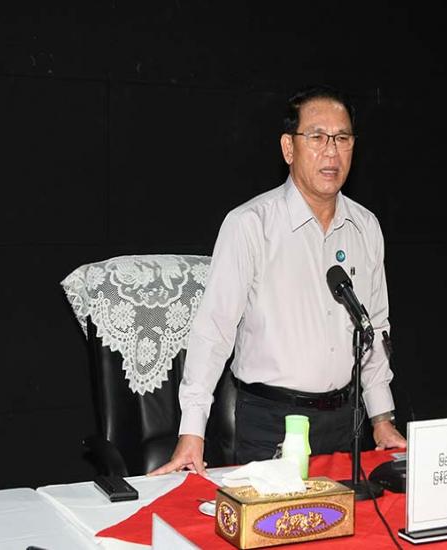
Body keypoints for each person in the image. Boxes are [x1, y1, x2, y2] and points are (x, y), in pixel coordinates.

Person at [149, 85, 406, 476]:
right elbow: (213, 331)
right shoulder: (251, 225)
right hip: (271, 424)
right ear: (289, 148)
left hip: (345, 425)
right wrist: (192, 432)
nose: (332, 152)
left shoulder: (365, 227)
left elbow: (374, 326)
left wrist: (381, 417)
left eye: (342, 138)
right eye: (317, 137)